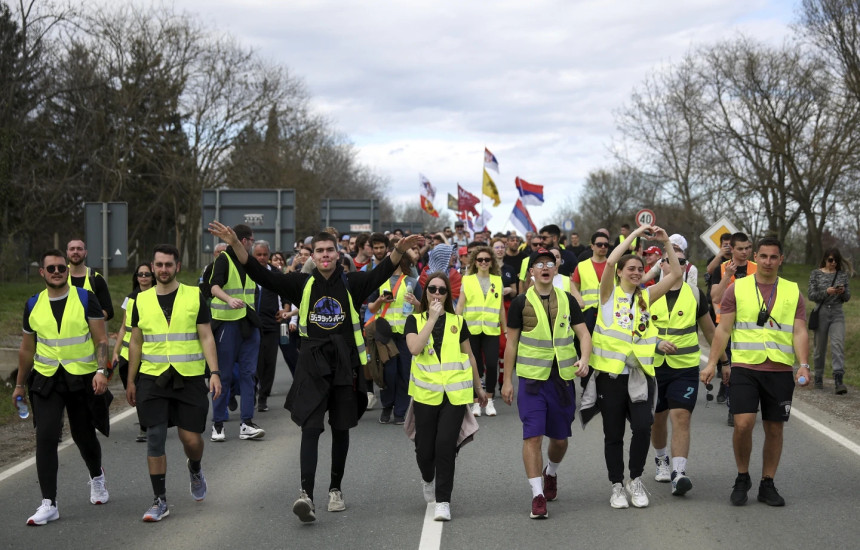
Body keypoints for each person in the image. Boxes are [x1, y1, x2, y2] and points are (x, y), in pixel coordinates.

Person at [209, 220, 423, 522]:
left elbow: (382, 271)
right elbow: (258, 273)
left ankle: (335, 490)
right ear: (314, 255)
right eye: (319, 251)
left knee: (340, 428)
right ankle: (305, 495)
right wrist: (235, 244)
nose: (324, 255)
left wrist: (399, 249)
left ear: (337, 255)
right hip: (312, 367)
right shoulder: (301, 283)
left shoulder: (353, 283)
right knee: (310, 429)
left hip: (344, 366)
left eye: (329, 251)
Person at [702, 236, 810, 507]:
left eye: (774, 257)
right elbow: (723, 330)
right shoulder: (736, 289)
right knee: (743, 424)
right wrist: (713, 363)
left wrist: (804, 365)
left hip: (779, 369)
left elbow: (799, 330)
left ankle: (767, 483)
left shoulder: (791, 291)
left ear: (781, 259)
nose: (768, 261)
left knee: (774, 429)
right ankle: (742, 476)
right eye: (763, 256)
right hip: (745, 367)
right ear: (756, 258)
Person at [581, 225, 681, 509]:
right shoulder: (608, 295)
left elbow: (675, 274)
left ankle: (635, 480)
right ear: (621, 273)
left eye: (640, 268)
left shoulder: (645, 297)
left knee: (642, 427)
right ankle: (616, 485)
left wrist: (665, 243)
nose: (636, 272)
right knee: (613, 435)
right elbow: (611, 261)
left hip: (639, 377)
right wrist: (636, 234)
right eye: (631, 268)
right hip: (611, 378)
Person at [13, 249, 111, 526]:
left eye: (61, 268)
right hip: (46, 379)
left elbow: (101, 340)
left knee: (83, 435)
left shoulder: (85, 298)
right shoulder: (33, 304)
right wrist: (20, 384)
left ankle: (97, 477)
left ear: (67, 270)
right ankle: (49, 503)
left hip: (81, 378)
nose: (57, 272)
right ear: (42, 272)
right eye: (51, 268)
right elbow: (26, 349)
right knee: (45, 436)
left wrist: (102, 371)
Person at [126, 244, 222, 522]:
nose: (163, 269)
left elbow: (206, 336)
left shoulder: (194, 295)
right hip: (153, 378)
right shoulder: (140, 300)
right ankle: (160, 500)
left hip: (189, 377)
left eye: (169, 264)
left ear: (177, 266)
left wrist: (214, 372)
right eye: (159, 265)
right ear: (152, 267)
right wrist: (130, 380)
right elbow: (135, 341)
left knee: (190, 439)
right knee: (154, 437)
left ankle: (195, 467)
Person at [501, 248, 592, 519]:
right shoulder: (520, 302)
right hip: (531, 381)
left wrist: (584, 359)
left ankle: (550, 472)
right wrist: (507, 380)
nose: (544, 267)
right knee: (532, 436)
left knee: (560, 439)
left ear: (555, 270)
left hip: (562, 379)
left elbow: (584, 334)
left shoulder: (567, 300)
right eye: (538, 264)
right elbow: (512, 344)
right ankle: (537, 495)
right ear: (531, 272)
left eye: (549, 263)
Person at [405, 272, 488, 521]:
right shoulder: (414, 320)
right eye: (433, 289)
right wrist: (430, 318)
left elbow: (470, 356)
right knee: (424, 450)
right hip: (425, 395)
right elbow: (414, 348)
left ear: (447, 294)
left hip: (454, 395)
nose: (437, 294)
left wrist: (478, 388)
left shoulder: (457, 321)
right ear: (426, 292)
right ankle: (428, 478)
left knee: (445, 447)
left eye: (442, 290)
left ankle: (443, 500)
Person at [650, 250, 727, 496]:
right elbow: (635, 331)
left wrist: (723, 363)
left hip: (684, 367)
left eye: (682, 261)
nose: (677, 264)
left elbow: (711, 332)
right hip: (652, 366)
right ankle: (661, 459)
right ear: (661, 264)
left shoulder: (694, 294)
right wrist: (655, 343)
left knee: (681, 416)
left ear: (685, 266)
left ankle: (678, 473)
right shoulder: (648, 295)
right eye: (671, 259)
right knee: (657, 417)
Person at [208, 224, 265, 442]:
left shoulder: (250, 263)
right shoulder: (223, 259)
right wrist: (229, 299)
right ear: (243, 241)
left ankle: (246, 423)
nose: (253, 243)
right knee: (223, 375)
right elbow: (213, 287)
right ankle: (218, 425)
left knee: (248, 375)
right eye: (251, 239)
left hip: (248, 324)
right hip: (226, 324)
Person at [366, 253, 421, 424]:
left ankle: (400, 411)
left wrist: (415, 302)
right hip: (385, 335)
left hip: (406, 334)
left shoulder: (412, 282)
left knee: (404, 373)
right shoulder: (379, 280)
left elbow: (421, 310)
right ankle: (387, 405)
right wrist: (380, 301)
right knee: (388, 373)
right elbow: (371, 308)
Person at [710, 232, 756, 415]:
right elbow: (715, 297)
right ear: (732, 249)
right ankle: (733, 407)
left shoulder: (757, 268)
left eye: (748, 248)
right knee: (732, 367)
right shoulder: (721, 269)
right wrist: (727, 276)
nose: (744, 252)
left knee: (748, 368)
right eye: (740, 249)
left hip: (751, 326)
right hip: (727, 325)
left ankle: (745, 400)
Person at [456, 246, 506, 417]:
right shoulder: (467, 280)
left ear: (491, 262)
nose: (484, 262)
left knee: (492, 364)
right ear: (475, 263)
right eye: (480, 260)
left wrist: (505, 329)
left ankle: (490, 400)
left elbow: (500, 309)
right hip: (471, 328)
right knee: (474, 365)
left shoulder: (497, 280)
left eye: (487, 259)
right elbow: (461, 305)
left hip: (491, 329)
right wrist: (454, 326)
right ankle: (476, 402)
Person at [112, 262, 155, 442]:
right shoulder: (130, 298)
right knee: (133, 390)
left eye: (147, 274)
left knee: (144, 389)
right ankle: (146, 422)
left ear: (152, 277)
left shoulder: (158, 296)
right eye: (140, 274)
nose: (144, 277)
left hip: (148, 351)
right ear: (136, 277)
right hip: (126, 353)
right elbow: (123, 327)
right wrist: (115, 351)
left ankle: (146, 427)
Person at [808, 248, 851, 393]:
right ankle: (818, 376)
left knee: (837, 345)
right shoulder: (816, 274)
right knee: (819, 348)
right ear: (825, 259)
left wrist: (842, 292)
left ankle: (838, 380)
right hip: (821, 311)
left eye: (836, 260)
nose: (833, 263)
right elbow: (811, 295)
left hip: (837, 312)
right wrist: (827, 291)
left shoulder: (842, 275)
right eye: (830, 260)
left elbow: (847, 297)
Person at [570, 232, 611, 358]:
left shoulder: (613, 266)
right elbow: (574, 289)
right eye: (599, 244)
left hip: (608, 314)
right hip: (586, 314)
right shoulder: (582, 266)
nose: (603, 247)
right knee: (585, 349)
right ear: (592, 246)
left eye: (606, 244)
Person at [252, 241, 281, 412]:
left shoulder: (276, 273)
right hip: (251, 324)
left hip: (271, 325)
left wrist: (285, 309)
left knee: (269, 362)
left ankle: (263, 397)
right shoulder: (246, 273)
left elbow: (286, 294)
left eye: (264, 254)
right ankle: (252, 393)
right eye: (258, 255)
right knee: (255, 363)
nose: (262, 258)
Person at [66, 239, 114, 321]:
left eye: (79, 249)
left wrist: (91, 320)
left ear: (86, 253)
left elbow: (108, 311)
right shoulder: (58, 276)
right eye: (72, 249)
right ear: (67, 253)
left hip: (89, 333)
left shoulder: (96, 278)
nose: (75, 252)